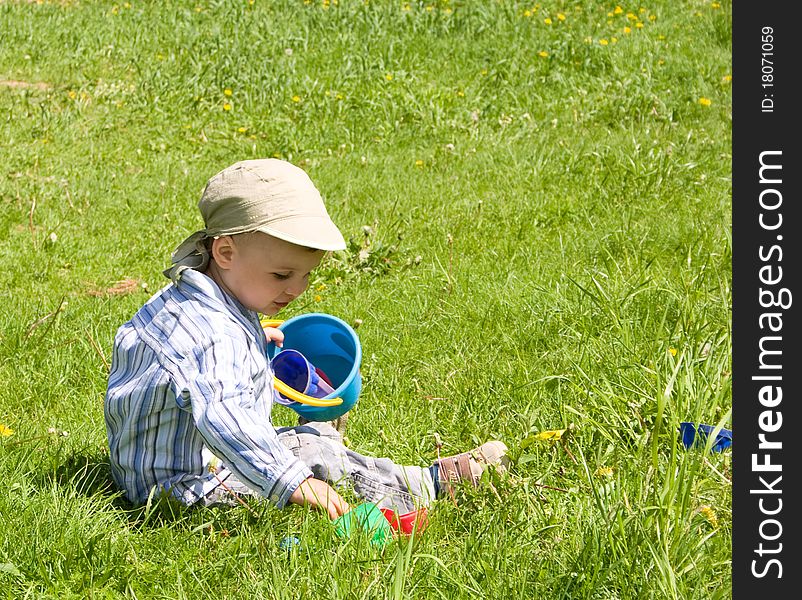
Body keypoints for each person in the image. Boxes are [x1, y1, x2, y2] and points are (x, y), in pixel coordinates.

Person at [104, 158, 508, 520]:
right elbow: (225, 417)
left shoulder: (191, 303)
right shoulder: (213, 339)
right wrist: (291, 481)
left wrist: (250, 335)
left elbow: (185, 369)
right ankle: (429, 486)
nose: (297, 289)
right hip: (184, 491)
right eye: (282, 275)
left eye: (307, 274)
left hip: (155, 468)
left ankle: (330, 443)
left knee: (308, 440)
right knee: (309, 451)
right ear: (225, 253)